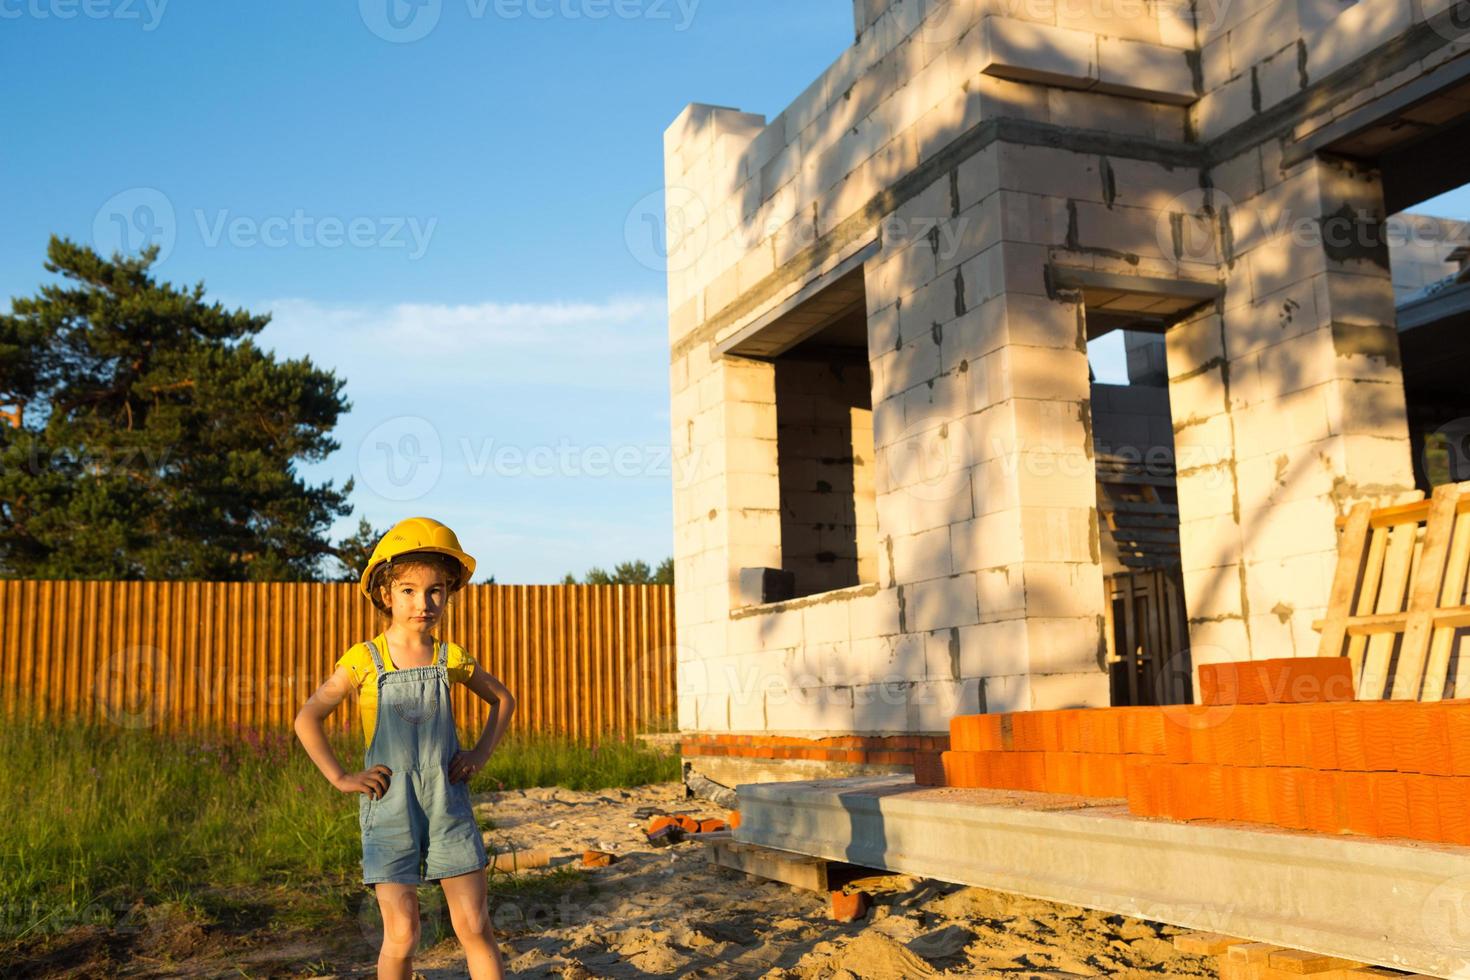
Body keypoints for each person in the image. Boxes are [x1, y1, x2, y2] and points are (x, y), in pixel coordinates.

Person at [294, 516, 516, 979]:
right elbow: (307, 717)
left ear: (449, 593)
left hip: (447, 803)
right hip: (388, 808)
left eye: (436, 590)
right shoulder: (364, 660)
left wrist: (478, 755)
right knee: (403, 934)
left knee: (474, 925)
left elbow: (503, 698)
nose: (424, 602)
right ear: (384, 594)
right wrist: (340, 777)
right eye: (409, 590)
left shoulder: (449, 657)